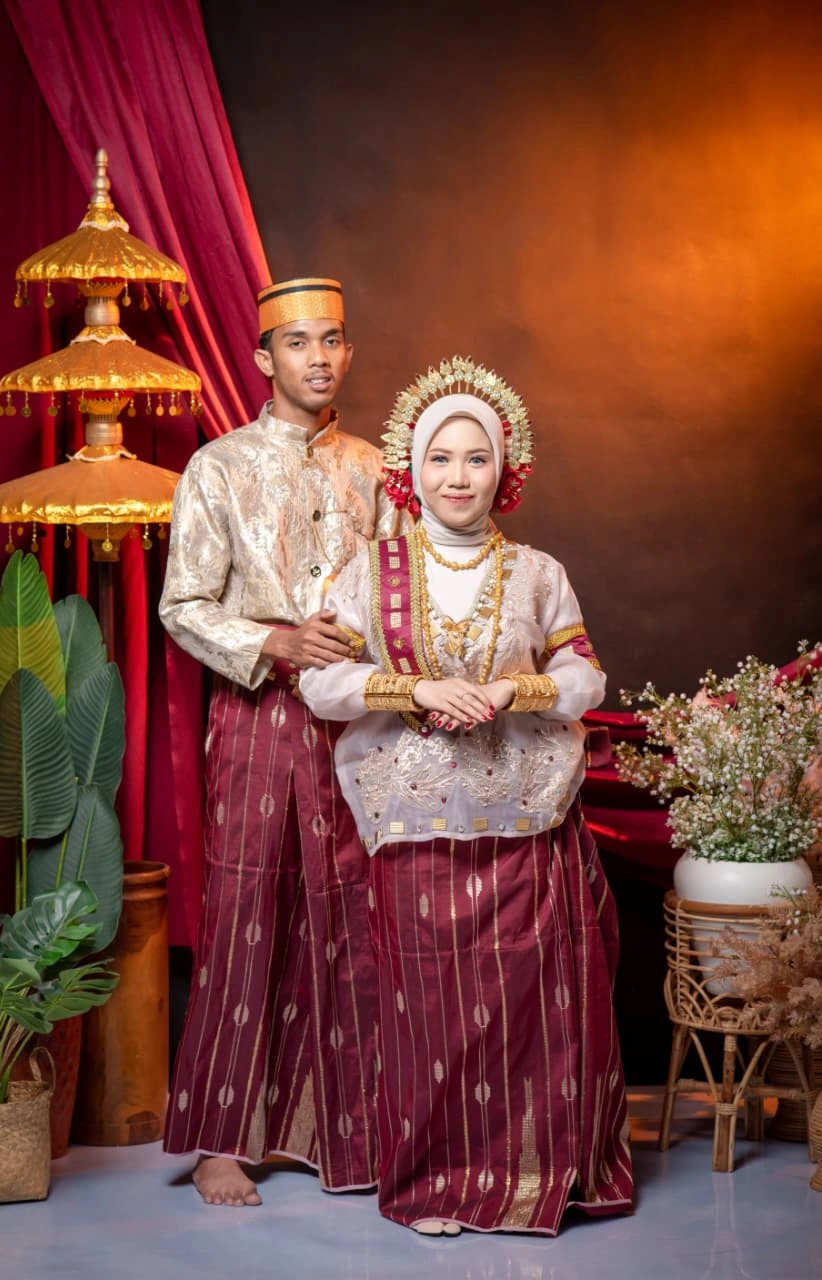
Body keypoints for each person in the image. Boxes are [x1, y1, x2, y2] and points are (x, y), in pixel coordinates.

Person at [299, 355, 634, 1236]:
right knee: (429, 1010)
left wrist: (513, 690)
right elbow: (320, 686)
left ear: (504, 468)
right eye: (440, 458)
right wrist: (411, 688)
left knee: (527, 1003)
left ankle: (532, 1174)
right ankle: (434, 1185)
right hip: (414, 824)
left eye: (476, 458)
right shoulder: (368, 573)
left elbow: (585, 676)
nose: (457, 476)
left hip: (526, 823)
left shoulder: (538, 573)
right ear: (412, 471)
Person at [160, 277, 405, 1207]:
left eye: (332, 340)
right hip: (258, 713)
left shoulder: (377, 470)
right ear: (264, 358)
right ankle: (222, 1140)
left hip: (360, 717)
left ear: (349, 352)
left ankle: (348, 1129)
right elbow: (183, 604)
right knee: (247, 910)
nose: (319, 357)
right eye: (298, 342)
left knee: (354, 913)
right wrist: (276, 642)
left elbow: (405, 593)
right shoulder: (218, 467)